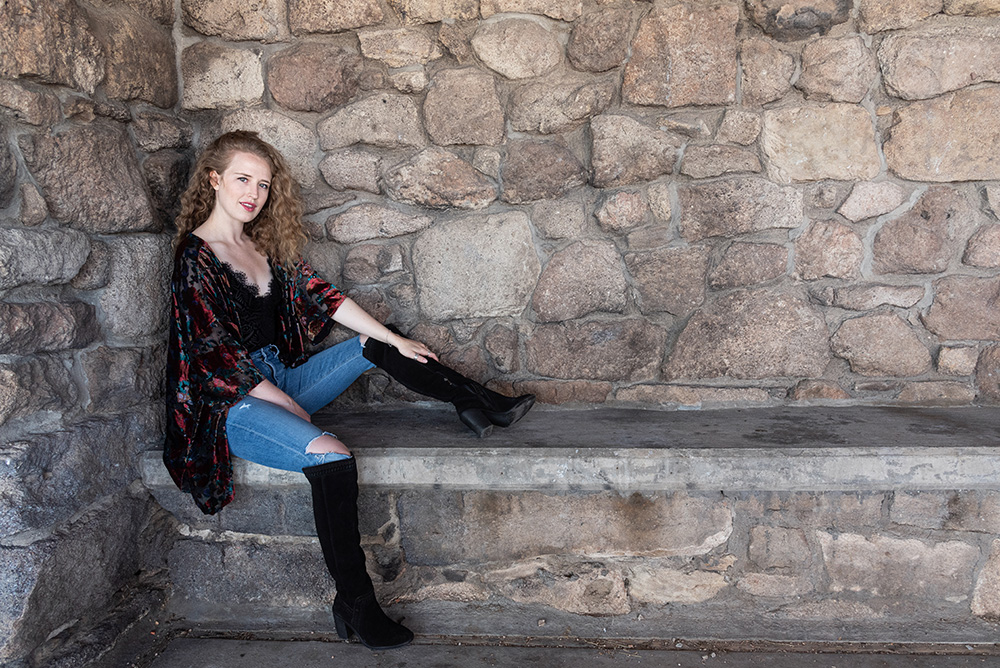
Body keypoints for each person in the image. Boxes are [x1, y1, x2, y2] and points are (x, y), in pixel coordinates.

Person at [163, 131, 534, 650]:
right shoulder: (195, 257)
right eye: (242, 179)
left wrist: (395, 338)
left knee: (375, 343)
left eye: (263, 185)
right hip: (232, 403)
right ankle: (355, 602)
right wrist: (287, 404)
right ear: (213, 179)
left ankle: (475, 401)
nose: (254, 194)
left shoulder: (259, 245)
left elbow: (327, 298)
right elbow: (214, 356)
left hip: (278, 376)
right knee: (332, 454)